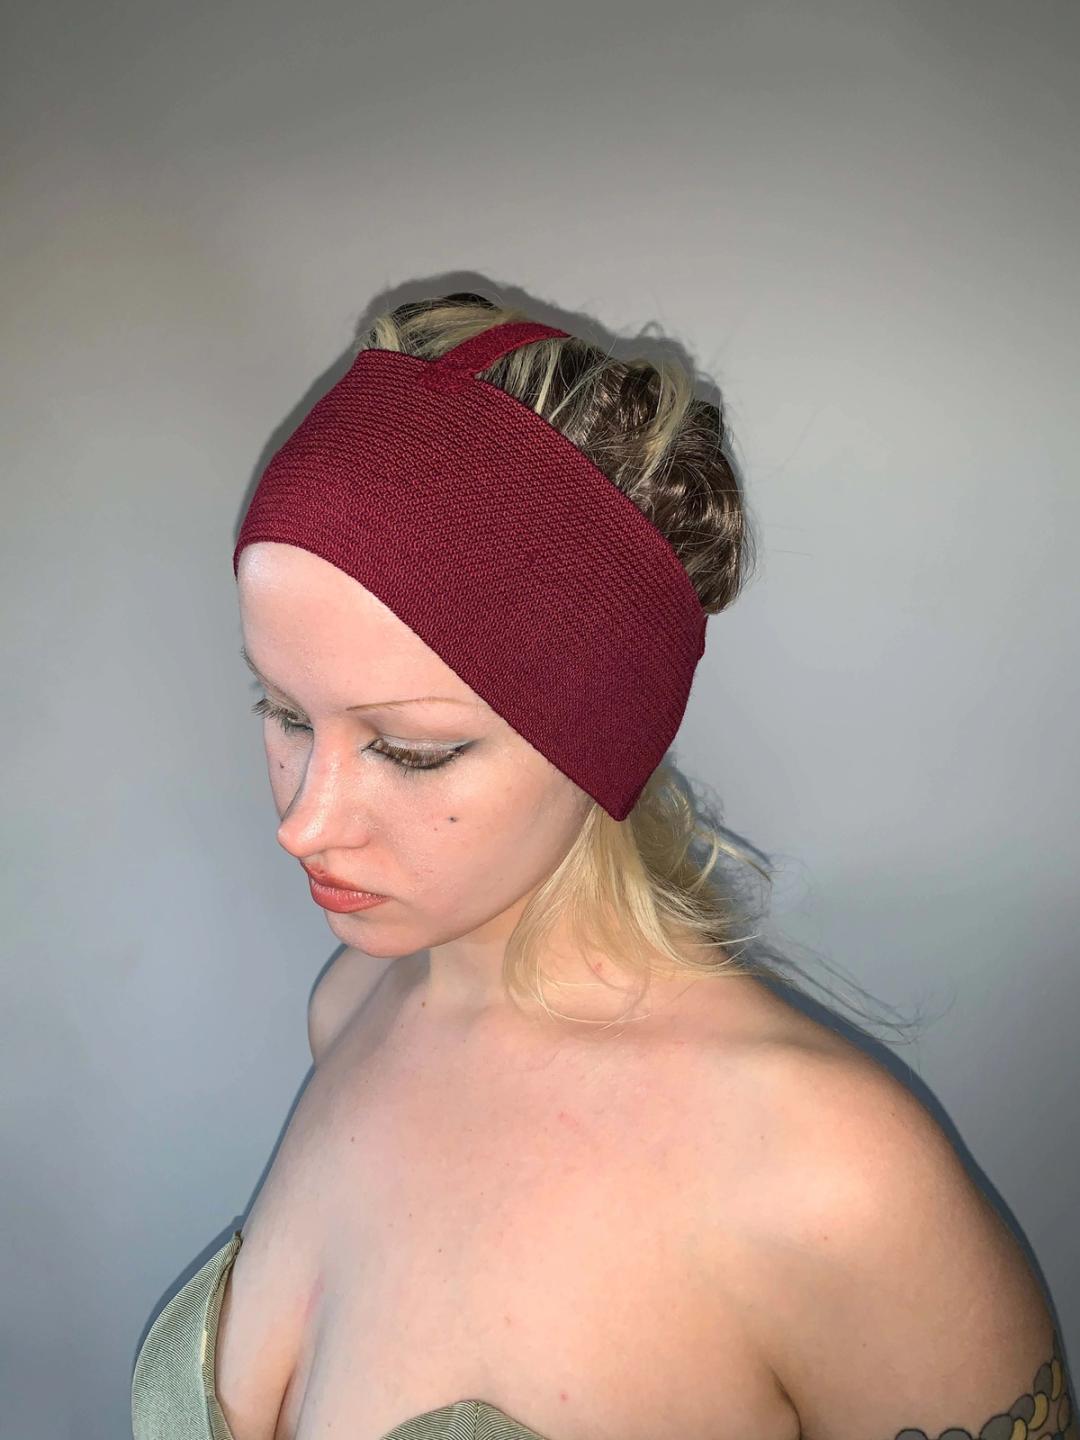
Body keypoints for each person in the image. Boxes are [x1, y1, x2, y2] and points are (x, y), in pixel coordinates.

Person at [131, 293, 1073, 1440]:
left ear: (599, 740)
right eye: (283, 712)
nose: (304, 822)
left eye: (410, 749)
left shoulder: (825, 1179)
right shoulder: (354, 1008)